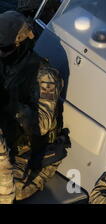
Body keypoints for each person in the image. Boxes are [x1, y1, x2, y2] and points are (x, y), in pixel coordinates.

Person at [0, 11, 69, 202]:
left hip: (29, 150)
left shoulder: (45, 76)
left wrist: (9, 104)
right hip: (6, 140)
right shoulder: (5, 62)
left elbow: (43, 125)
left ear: (21, 44)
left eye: (4, 49)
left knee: (9, 191)